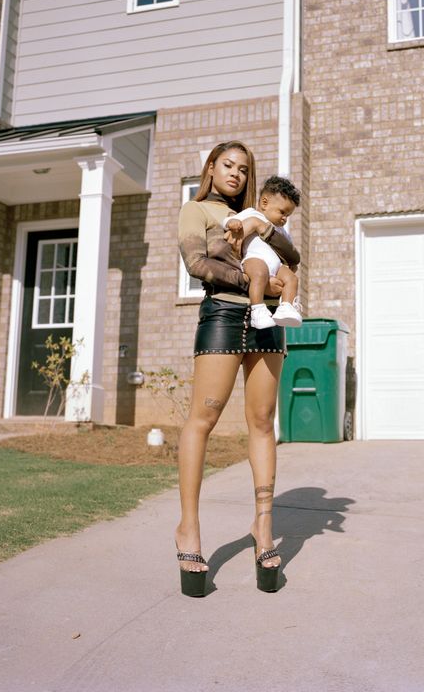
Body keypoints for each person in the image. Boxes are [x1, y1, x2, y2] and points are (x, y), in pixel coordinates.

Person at [176, 140, 301, 596]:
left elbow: (293, 258)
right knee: (203, 418)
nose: (236, 174)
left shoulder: (261, 218)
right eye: (228, 165)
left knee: (263, 422)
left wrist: (264, 228)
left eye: (244, 169)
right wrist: (254, 280)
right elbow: (197, 264)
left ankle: (262, 528)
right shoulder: (198, 211)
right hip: (223, 316)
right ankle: (188, 528)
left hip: (269, 322)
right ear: (211, 167)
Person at [222, 175, 302, 330]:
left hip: (276, 266)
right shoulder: (251, 214)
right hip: (254, 259)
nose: (285, 219)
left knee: (292, 279)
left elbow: (289, 250)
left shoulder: (280, 230)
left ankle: (286, 307)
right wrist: (232, 223)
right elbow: (227, 222)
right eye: (282, 212)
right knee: (260, 274)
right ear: (265, 203)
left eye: (288, 215)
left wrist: (291, 264)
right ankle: (258, 310)